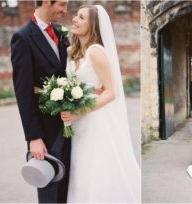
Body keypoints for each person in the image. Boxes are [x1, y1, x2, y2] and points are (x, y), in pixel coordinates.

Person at [60, 5, 141, 202]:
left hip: (95, 120)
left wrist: (79, 112)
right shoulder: (73, 52)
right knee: (81, 169)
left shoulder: (96, 52)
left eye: (81, 17)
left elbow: (112, 91)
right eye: (76, 15)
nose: (75, 19)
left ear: (93, 25)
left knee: (96, 169)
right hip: (78, 124)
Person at [11, 0, 71, 202]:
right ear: (46, 2)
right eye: (61, 5)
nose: (65, 10)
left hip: (70, 123)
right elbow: (23, 92)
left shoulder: (61, 32)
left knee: (68, 186)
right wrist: (33, 137)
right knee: (50, 188)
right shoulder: (23, 38)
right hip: (45, 130)